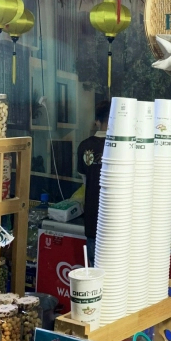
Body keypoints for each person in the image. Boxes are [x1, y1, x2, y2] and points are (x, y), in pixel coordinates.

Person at [77, 100, 110, 263]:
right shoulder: (122, 146)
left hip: (92, 215)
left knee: (95, 268)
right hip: (118, 221)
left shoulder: (85, 146)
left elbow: (84, 180)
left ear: (97, 121)